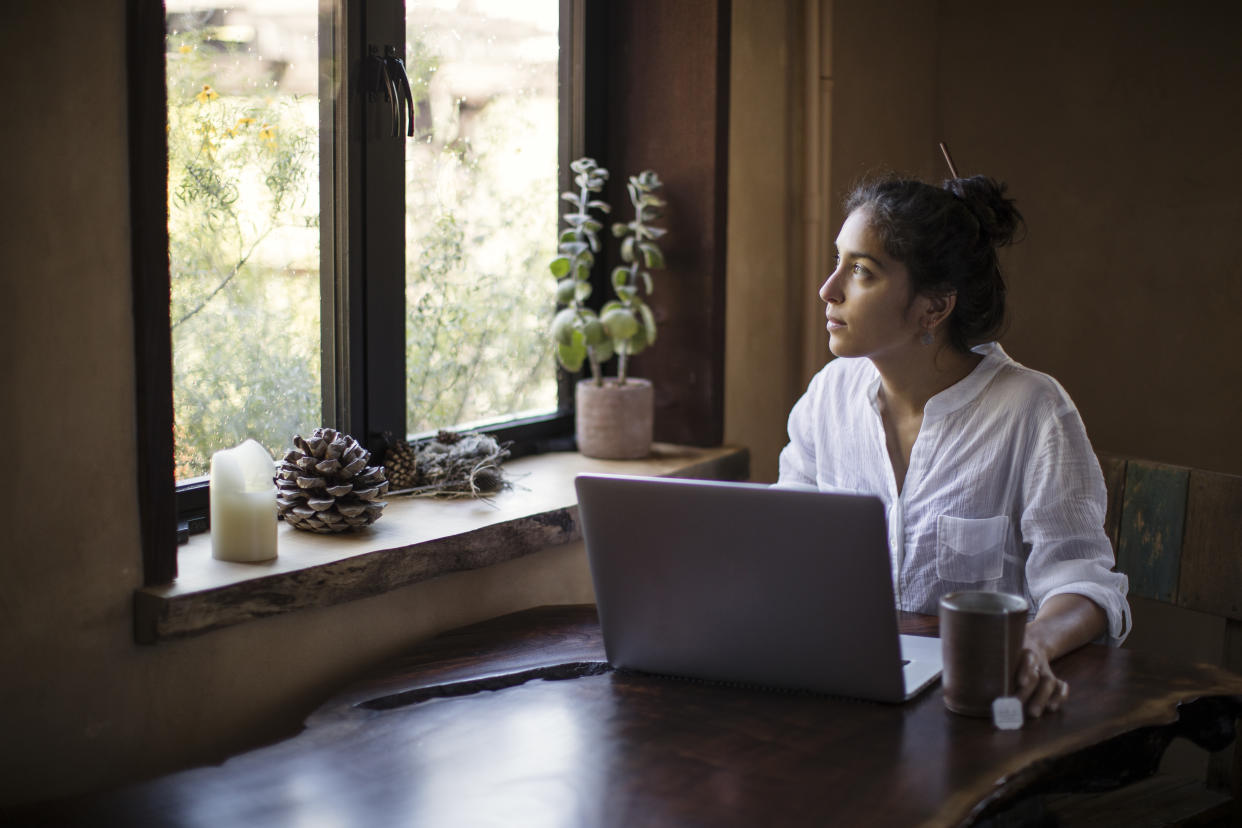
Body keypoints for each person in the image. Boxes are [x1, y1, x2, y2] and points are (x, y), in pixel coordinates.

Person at [777, 173, 1130, 718]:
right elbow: (785, 538)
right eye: (837, 260)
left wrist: (1031, 643)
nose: (829, 289)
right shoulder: (829, 396)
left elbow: (1083, 585)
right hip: (845, 691)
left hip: (978, 707)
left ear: (933, 308)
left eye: (861, 272)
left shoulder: (1032, 411)